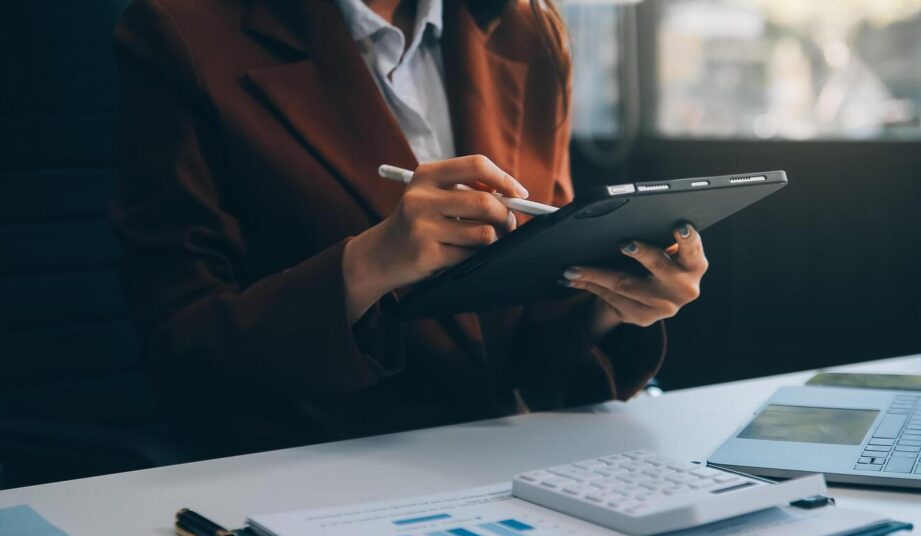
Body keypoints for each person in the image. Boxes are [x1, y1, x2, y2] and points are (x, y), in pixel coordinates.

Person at [112, 0, 708, 456]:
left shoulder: (527, 30)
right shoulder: (184, 31)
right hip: (309, 473)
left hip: (500, 466)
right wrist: (369, 265)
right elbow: (181, 355)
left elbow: (530, 328)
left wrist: (615, 301)